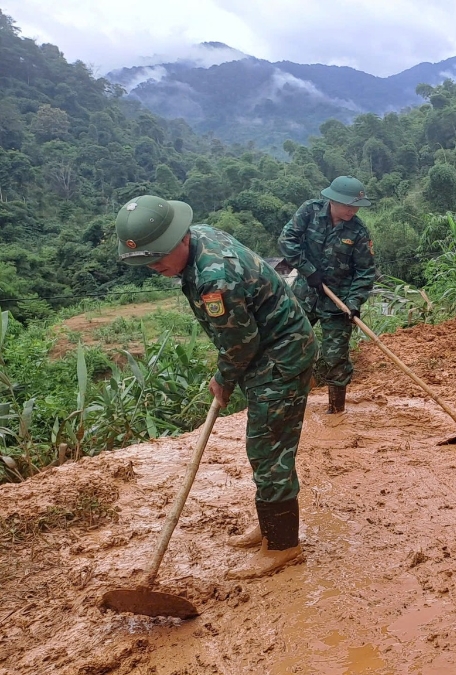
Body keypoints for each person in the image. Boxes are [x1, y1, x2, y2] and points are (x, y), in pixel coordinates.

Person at [115, 195, 316, 579]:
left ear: (179, 240)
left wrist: (222, 379)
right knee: (267, 447)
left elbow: (241, 342)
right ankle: (272, 524)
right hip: (265, 353)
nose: (157, 269)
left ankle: (283, 546)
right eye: (149, 263)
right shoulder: (199, 236)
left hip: (280, 357)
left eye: (159, 259)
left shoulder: (214, 278)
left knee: (268, 449)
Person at [278, 176, 376, 414]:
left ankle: (336, 413)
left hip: (339, 303)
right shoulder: (309, 212)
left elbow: (365, 271)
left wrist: (353, 303)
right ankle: (287, 404)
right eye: (348, 205)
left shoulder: (358, 231)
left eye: (356, 206)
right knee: (288, 345)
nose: (353, 210)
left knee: (336, 358)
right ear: (332, 200)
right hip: (304, 294)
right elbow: (287, 240)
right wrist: (308, 270)